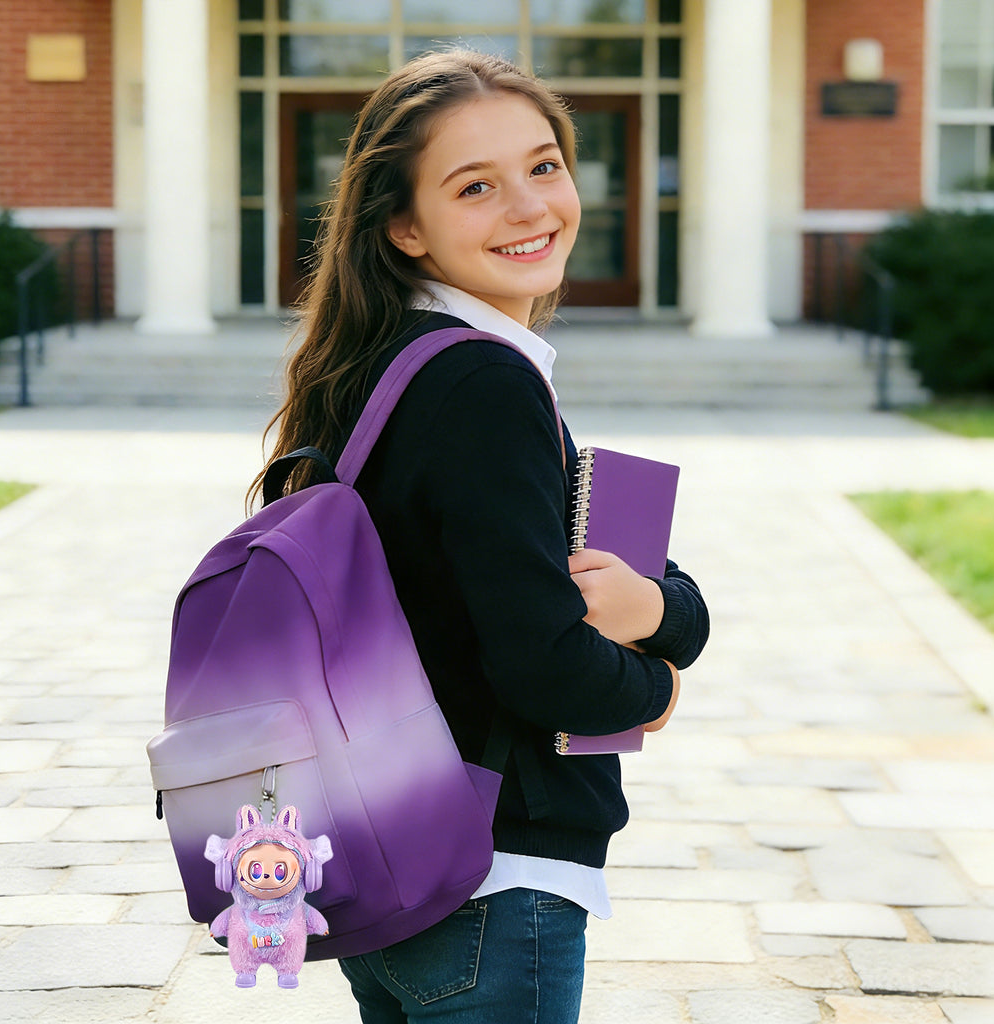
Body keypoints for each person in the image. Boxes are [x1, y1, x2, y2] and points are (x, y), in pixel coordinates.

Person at [251, 49, 709, 1024]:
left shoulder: (373, 367)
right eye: (475, 186)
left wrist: (664, 607)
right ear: (405, 227)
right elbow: (544, 666)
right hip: (492, 881)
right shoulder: (482, 382)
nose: (529, 206)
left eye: (544, 166)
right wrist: (660, 683)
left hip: (385, 868)